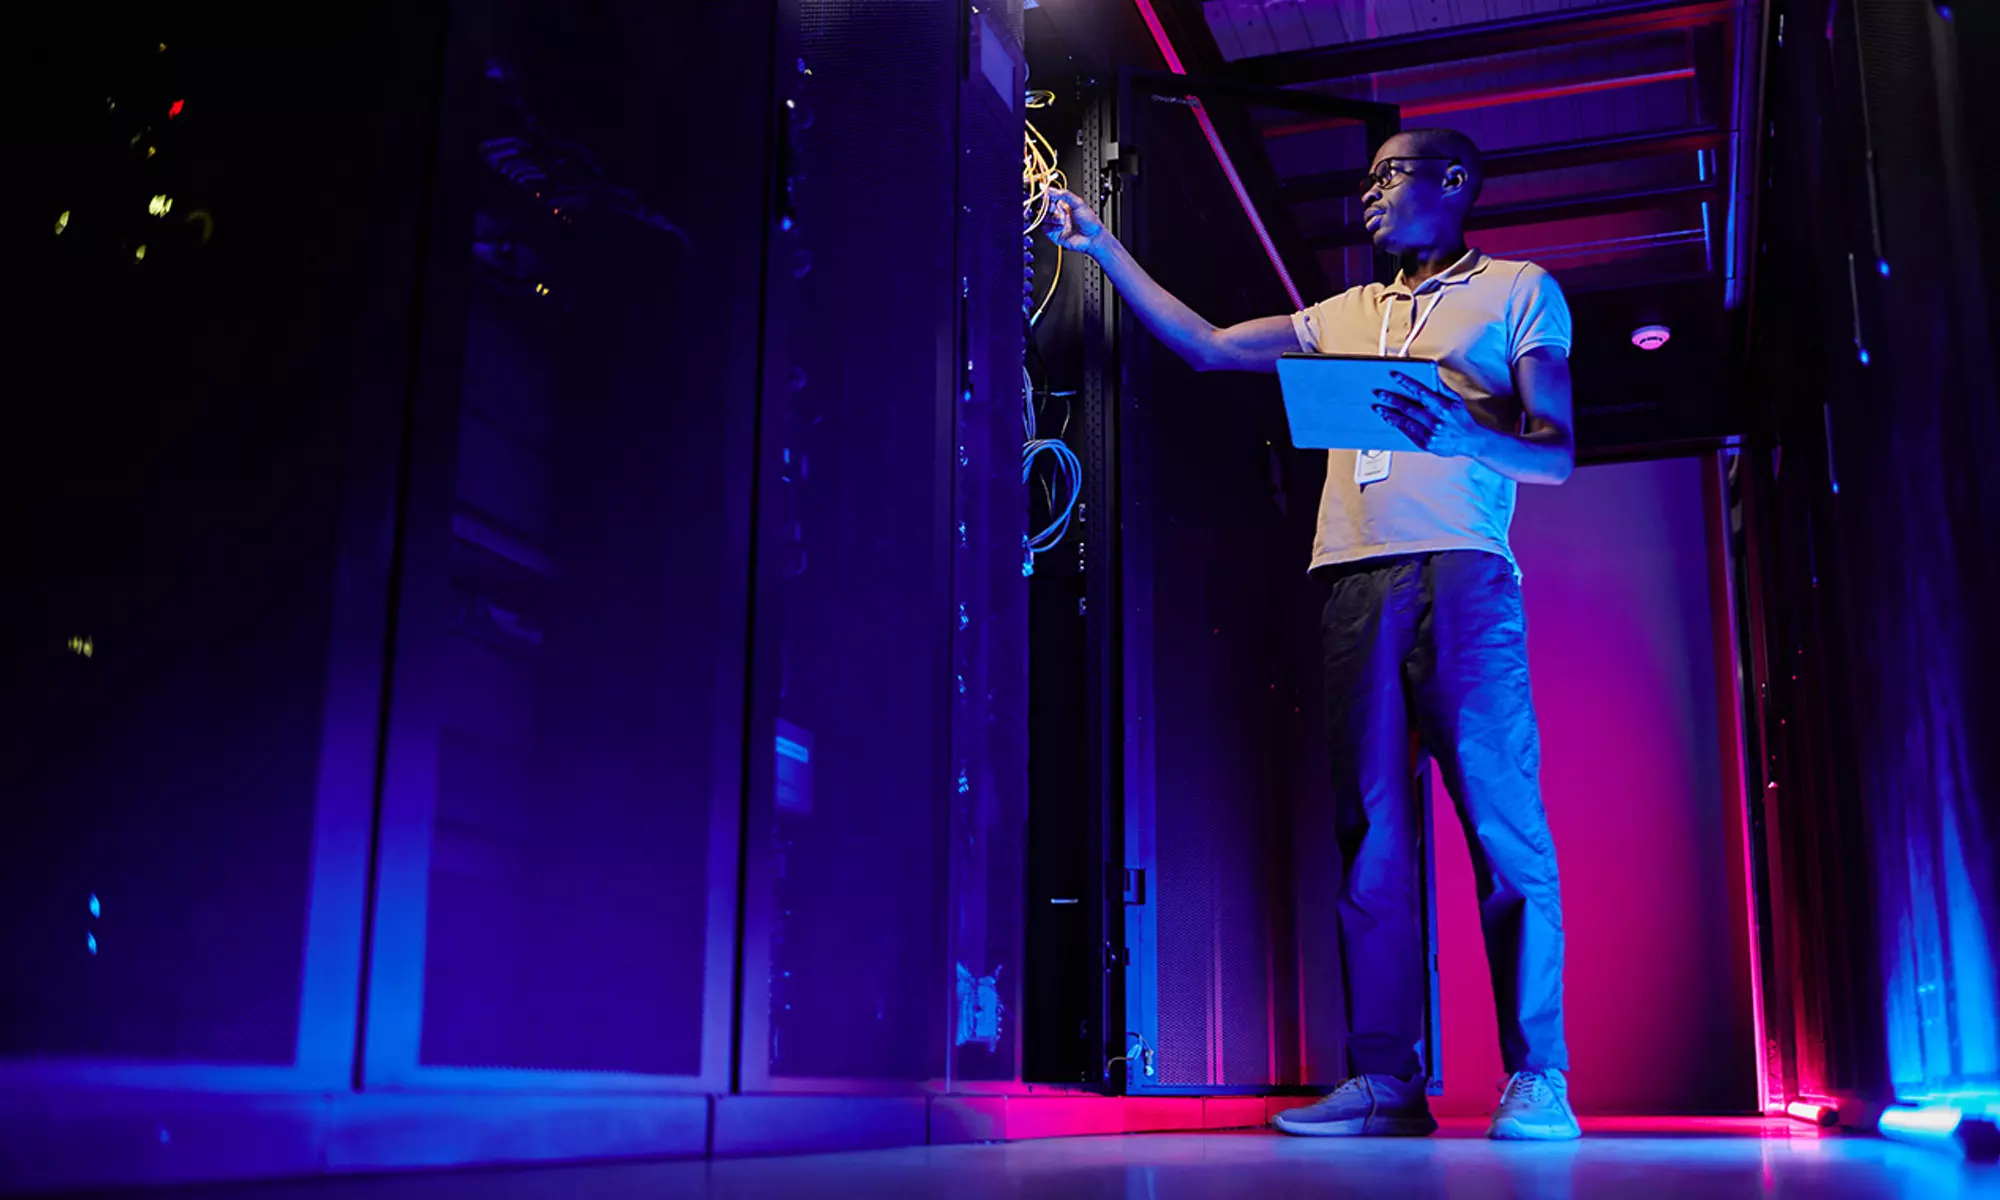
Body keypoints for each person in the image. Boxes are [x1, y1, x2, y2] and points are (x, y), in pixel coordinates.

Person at [1044, 128, 1581, 1142]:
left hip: (1462, 576)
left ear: (1453, 183)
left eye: (1391, 175)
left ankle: (1537, 1076)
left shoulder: (1516, 289)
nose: (1369, 192)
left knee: (1503, 828)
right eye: (1368, 176)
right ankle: (1384, 1082)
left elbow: (1554, 455)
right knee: (1369, 837)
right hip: (1349, 581)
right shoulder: (1342, 313)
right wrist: (1102, 247)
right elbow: (1205, 348)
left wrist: (1467, 430)